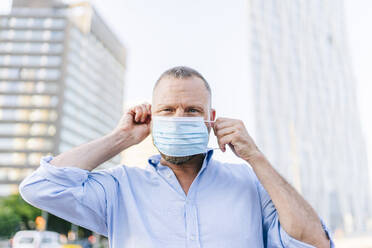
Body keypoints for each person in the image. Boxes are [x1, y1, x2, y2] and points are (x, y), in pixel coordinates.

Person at [19, 66, 334, 248]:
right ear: (151, 118)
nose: (180, 118)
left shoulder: (251, 184)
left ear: (210, 118)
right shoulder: (120, 187)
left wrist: (257, 158)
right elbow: (40, 187)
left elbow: (314, 241)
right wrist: (121, 139)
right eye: (167, 110)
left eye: (192, 111)